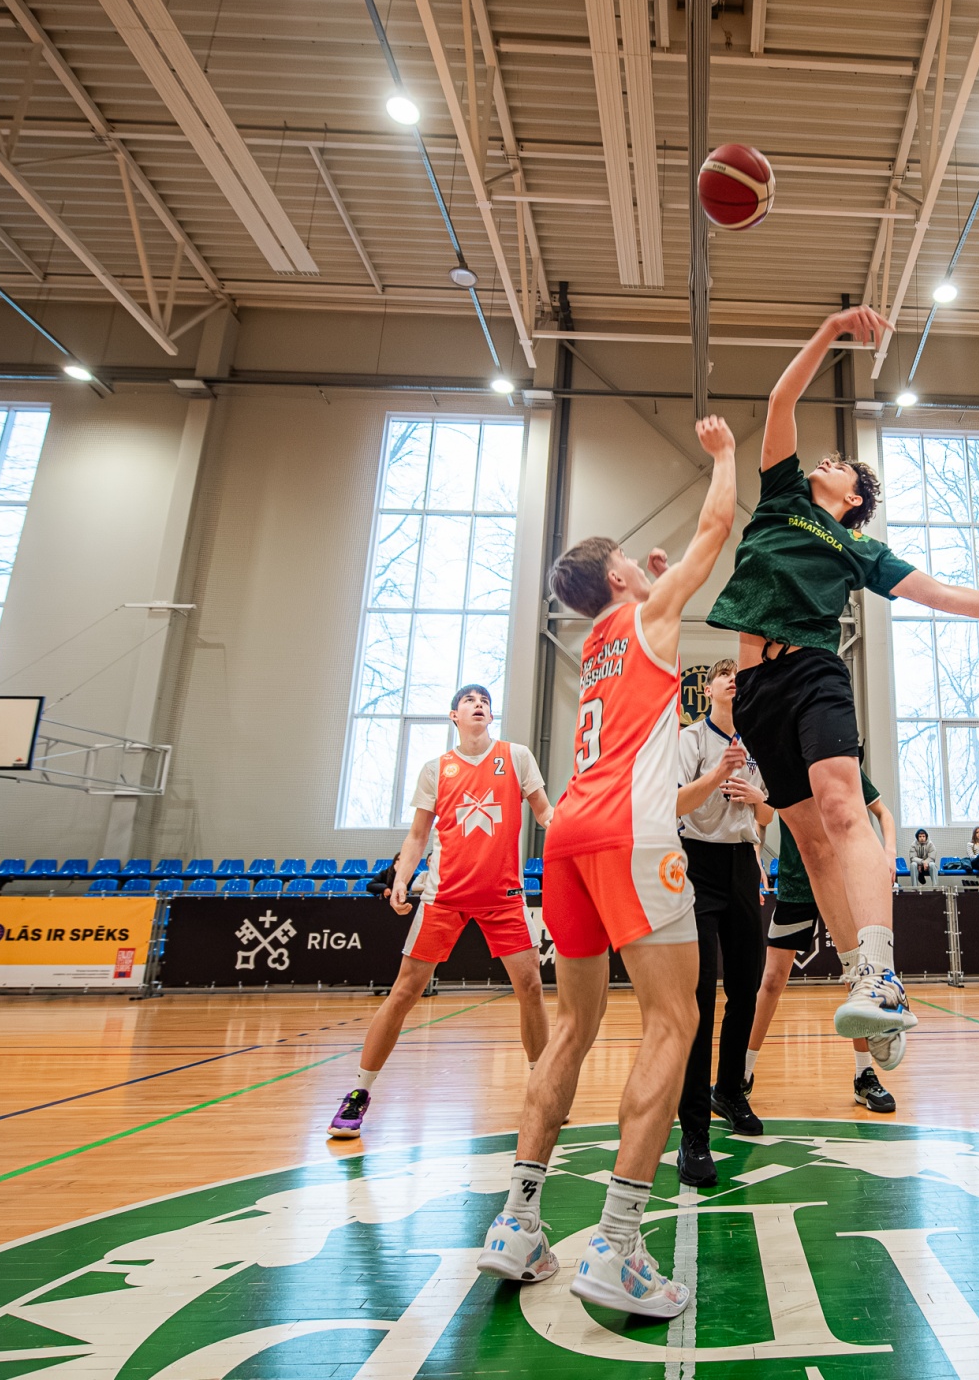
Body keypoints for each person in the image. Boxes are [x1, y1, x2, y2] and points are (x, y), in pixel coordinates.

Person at [706, 303, 979, 1065]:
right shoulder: (783, 498)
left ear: (853, 499)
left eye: (841, 465)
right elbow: (781, 400)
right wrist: (827, 331)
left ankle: (881, 974)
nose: (827, 461)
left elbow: (940, 594)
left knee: (842, 809)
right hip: (755, 691)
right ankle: (867, 986)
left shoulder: (858, 547)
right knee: (809, 844)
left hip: (814, 671)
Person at [476, 414, 736, 1319]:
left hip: (568, 838)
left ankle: (516, 1224)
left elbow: (647, 634)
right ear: (618, 576)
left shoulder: (596, 642)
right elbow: (717, 526)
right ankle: (618, 1246)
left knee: (572, 1028)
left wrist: (651, 584)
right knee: (674, 1020)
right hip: (632, 835)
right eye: (629, 559)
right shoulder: (649, 617)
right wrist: (724, 456)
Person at [326, 684, 553, 1140]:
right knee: (404, 991)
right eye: (469, 700)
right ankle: (359, 1091)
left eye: (485, 701)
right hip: (444, 895)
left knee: (530, 986)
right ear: (454, 716)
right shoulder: (436, 769)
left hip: (503, 894)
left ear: (491, 715)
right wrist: (401, 879)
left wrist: (579, 830)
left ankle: (545, 1089)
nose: (479, 705)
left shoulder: (517, 757)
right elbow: (417, 836)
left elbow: (546, 815)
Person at [673, 657, 775, 1186]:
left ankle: (729, 1091)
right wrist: (717, 775)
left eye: (739, 673)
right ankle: (693, 1133)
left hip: (742, 863)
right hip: (697, 865)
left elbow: (767, 816)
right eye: (723, 673)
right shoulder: (691, 739)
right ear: (708, 688)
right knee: (700, 998)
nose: (733, 679)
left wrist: (758, 798)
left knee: (745, 989)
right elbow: (674, 804)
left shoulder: (759, 739)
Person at [747, 769, 900, 1114]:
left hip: (840, 884)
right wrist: (756, 853)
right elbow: (763, 818)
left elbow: (883, 813)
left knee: (856, 981)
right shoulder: (784, 763)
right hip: (796, 886)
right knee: (772, 980)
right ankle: (741, 1074)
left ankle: (864, 1075)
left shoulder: (837, 763)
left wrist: (889, 851)